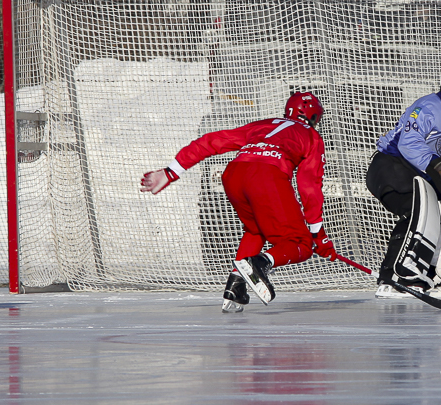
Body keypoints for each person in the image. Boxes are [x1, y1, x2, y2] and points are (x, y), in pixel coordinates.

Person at [140, 91, 336, 312]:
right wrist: (317, 235)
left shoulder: (264, 123)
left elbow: (211, 141)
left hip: (234, 175)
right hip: (267, 175)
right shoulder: (312, 136)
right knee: (300, 244)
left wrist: (170, 172)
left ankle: (236, 285)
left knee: (255, 229)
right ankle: (260, 263)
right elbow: (309, 186)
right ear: (314, 117)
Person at [366, 60, 441, 298]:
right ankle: (394, 277)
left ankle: (434, 271)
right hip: (390, 166)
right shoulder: (428, 107)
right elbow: (408, 143)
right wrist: (438, 165)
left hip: (412, 172)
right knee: (417, 213)